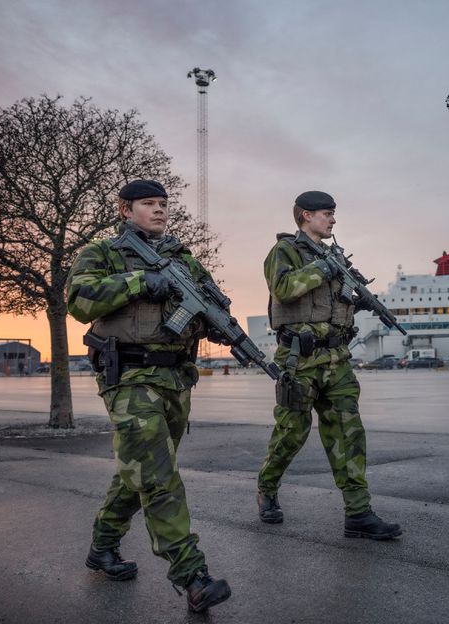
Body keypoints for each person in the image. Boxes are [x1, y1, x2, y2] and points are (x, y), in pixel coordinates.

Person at [66, 179, 231, 613]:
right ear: (125, 209)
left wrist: (217, 321)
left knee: (136, 471)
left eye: (163, 203)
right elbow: (80, 300)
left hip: (176, 379)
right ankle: (192, 574)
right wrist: (140, 281)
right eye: (148, 204)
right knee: (158, 475)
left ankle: (102, 546)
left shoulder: (185, 259)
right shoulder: (101, 253)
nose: (159, 210)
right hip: (130, 379)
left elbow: (211, 308)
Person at [256, 190, 402, 540]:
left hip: (337, 359)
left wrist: (357, 304)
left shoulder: (333, 256)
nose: (333, 220)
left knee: (349, 433)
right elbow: (285, 289)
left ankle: (359, 512)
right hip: (299, 359)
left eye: (333, 214)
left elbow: (333, 302)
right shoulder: (284, 251)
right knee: (292, 432)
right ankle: (267, 487)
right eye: (326, 214)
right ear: (305, 216)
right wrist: (324, 267)